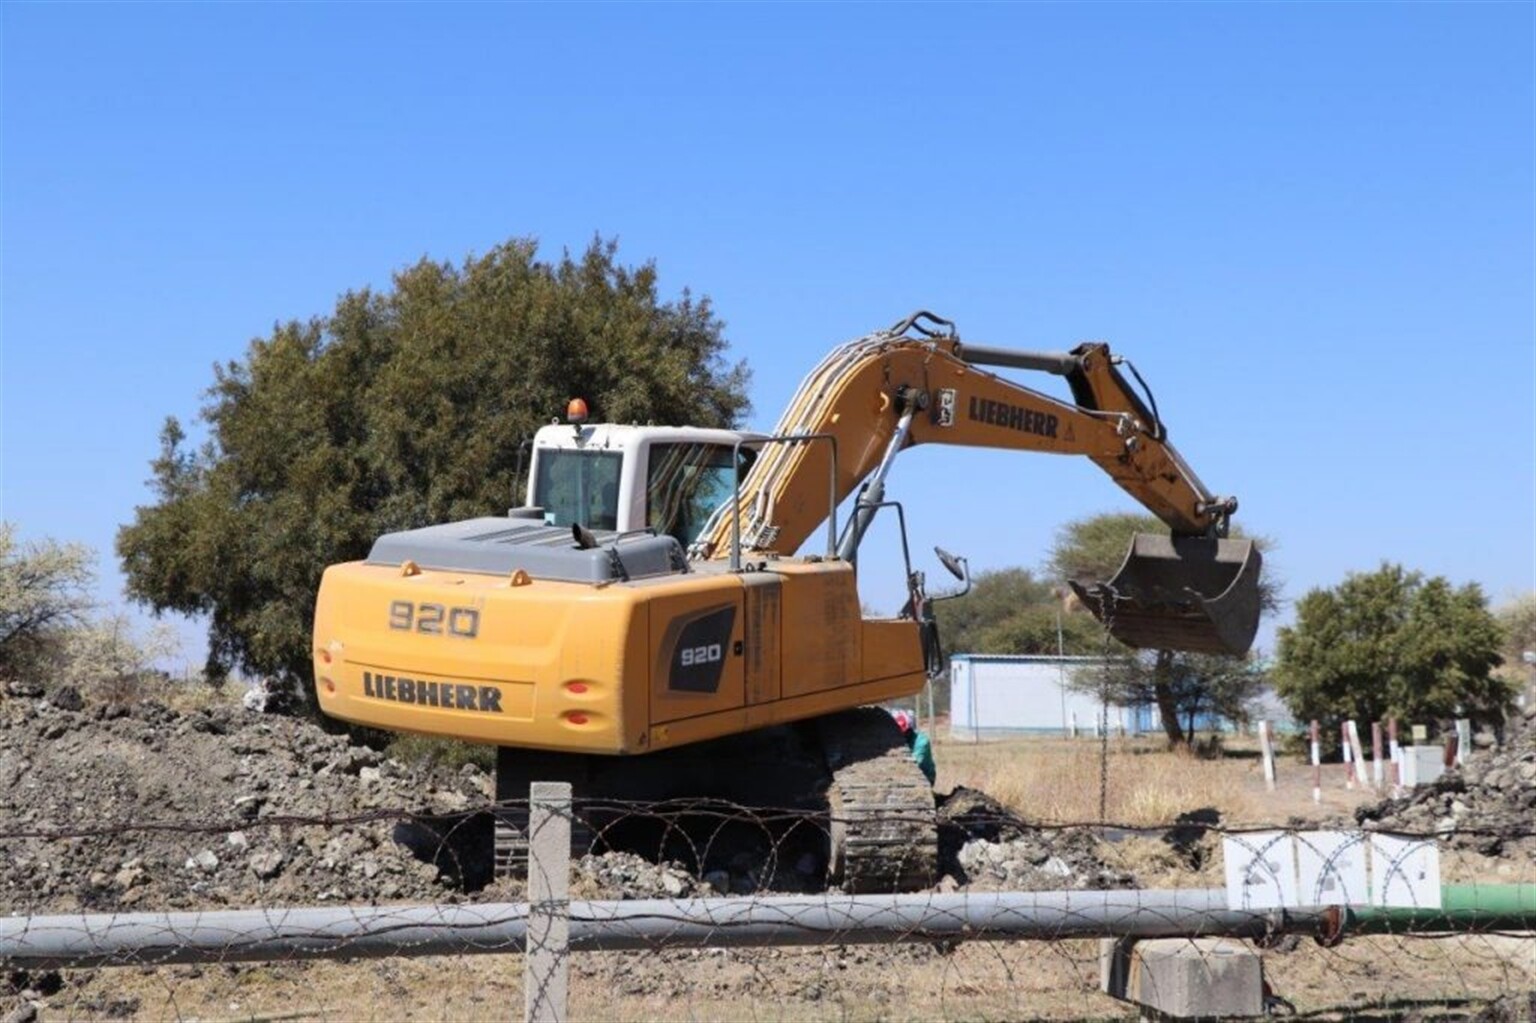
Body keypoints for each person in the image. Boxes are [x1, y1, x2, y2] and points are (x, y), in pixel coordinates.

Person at [892, 709, 936, 786]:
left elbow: (916, 763)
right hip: (902, 777)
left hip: (924, 778)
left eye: (903, 732)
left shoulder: (922, 742)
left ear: (910, 729)